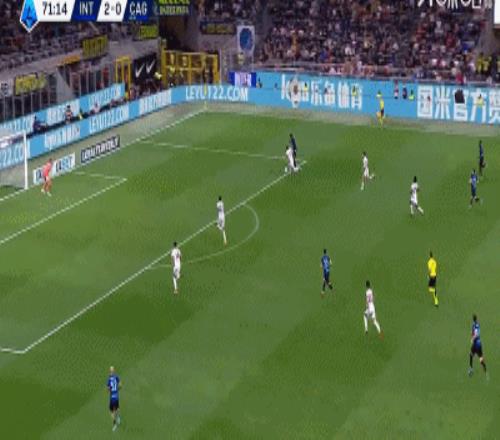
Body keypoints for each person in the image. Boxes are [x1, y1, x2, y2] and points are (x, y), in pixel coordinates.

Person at [107, 366, 121, 431]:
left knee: (112, 411)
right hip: (116, 397)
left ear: (110, 371)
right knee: (117, 408)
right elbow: (120, 385)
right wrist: (117, 390)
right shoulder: (117, 377)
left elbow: (108, 389)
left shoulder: (109, 379)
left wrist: (110, 391)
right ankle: (118, 418)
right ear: (114, 371)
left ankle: (115, 425)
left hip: (112, 398)